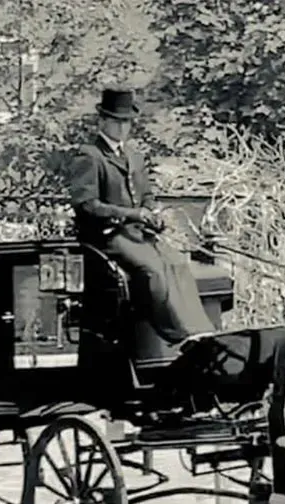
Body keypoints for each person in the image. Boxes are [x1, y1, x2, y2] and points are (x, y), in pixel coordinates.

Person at [67, 88, 215, 347]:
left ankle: (200, 330)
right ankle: (173, 333)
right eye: (116, 121)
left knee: (178, 262)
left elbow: (146, 194)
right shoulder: (89, 155)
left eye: (127, 122)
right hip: (108, 236)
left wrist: (152, 213)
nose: (123, 128)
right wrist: (132, 214)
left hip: (139, 232)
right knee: (153, 270)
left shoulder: (134, 155)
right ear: (102, 121)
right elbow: (86, 204)